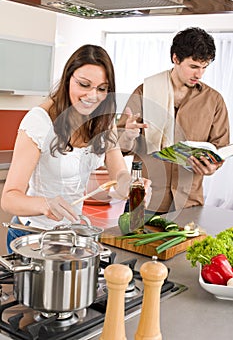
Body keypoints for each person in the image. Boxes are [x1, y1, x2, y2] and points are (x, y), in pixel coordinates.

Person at [1, 44, 151, 252]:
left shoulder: (102, 121)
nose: (92, 96)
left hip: (72, 235)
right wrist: (45, 204)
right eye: (84, 84)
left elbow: (119, 173)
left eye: (101, 89)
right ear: (67, 79)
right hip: (34, 235)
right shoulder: (40, 121)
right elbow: (9, 198)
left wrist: (130, 186)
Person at [117, 27, 230, 215]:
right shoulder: (145, 92)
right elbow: (119, 147)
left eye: (204, 67)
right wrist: (127, 135)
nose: (199, 74)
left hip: (189, 202)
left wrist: (212, 167)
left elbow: (221, 148)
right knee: (131, 245)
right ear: (175, 59)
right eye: (194, 66)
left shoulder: (214, 100)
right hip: (146, 199)